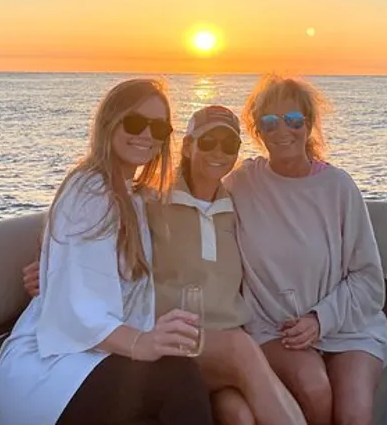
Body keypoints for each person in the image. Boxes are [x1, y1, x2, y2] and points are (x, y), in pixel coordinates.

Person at [22, 104, 306, 425]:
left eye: (229, 145)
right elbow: (85, 229)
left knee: (237, 414)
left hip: (226, 342)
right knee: (242, 351)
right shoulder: (152, 202)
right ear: (187, 146)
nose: (218, 152)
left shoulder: (238, 208)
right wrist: (47, 267)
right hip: (173, 340)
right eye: (208, 141)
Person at [0, 78, 215, 425]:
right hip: (52, 370)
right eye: (134, 122)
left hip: (92, 356)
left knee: (178, 373)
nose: (146, 134)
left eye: (158, 127)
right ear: (109, 122)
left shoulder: (133, 196)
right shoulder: (91, 190)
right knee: (179, 378)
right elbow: (81, 309)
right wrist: (142, 342)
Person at [227, 74, 387, 425]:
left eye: (293, 120)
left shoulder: (339, 187)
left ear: (309, 124)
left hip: (349, 325)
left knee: (354, 414)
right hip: (276, 326)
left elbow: (369, 280)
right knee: (314, 387)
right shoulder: (242, 183)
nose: (282, 130)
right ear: (258, 131)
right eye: (270, 122)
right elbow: (193, 186)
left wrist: (320, 319)